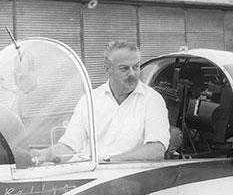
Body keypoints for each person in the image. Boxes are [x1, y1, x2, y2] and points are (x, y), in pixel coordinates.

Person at [30, 40, 170, 164]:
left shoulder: (152, 100)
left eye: (136, 66)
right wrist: (43, 155)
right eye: (124, 68)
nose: (132, 74)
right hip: (89, 172)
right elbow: (70, 146)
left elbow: (156, 150)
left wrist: (110, 161)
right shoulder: (89, 100)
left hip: (127, 176)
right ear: (107, 69)